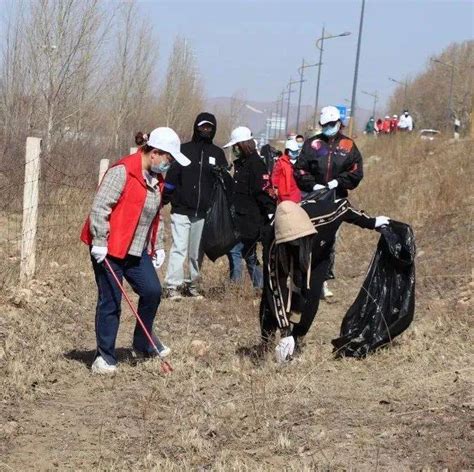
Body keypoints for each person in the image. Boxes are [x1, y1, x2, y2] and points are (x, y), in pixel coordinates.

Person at [80, 127, 191, 374]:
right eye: (168, 159)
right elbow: (99, 208)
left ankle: (143, 343)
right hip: (109, 246)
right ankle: (104, 357)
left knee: (152, 291)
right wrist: (99, 240)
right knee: (111, 300)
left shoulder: (156, 180)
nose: (169, 165)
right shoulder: (123, 171)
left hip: (136, 248)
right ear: (155, 153)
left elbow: (156, 217)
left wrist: (158, 246)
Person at [258, 195, 390, 362]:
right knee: (270, 301)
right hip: (285, 256)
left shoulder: (325, 215)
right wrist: (284, 329)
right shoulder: (273, 242)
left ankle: (298, 338)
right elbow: (275, 287)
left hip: (319, 255)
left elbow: (345, 207)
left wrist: (372, 222)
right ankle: (267, 340)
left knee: (311, 295)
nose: (296, 243)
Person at [293, 105, 364, 298]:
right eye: (324, 125)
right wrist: (312, 184)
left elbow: (356, 172)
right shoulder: (312, 144)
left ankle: (322, 280)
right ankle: (301, 280)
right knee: (307, 239)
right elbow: (300, 169)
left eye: (331, 124)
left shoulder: (348, 146)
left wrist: (338, 182)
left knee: (330, 241)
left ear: (339, 123)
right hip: (313, 199)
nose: (328, 128)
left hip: (336, 200)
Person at [163, 112, 228, 300]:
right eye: (202, 127)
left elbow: (223, 183)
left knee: (196, 251)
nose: (205, 130)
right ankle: (172, 286)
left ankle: (192, 285)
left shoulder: (217, 154)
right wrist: (165, 199)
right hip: (181, 210)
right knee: (178, 248)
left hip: (203, 213)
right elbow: (171, 178)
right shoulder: (183, 150)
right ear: (196, 127)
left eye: (209, 127)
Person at [225, 126, 276, 288]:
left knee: (235, 250)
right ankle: (259, 285)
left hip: (251, 219)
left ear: (244, 145)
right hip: (239, 217)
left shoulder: (256, 164)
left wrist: (270, 213)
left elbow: (263, 192)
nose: (234, 150)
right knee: (250, 254)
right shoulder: (240, 164)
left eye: (236, 146)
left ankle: (235, 286)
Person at [271, 139, 301, 204]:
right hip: (284, 192)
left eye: (296, 151)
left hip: (294, 191)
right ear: (287, 151)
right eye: (293, 151)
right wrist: (275, 187)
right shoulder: (281, 162)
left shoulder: (299, 161)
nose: (294, 153)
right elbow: (275, 175)